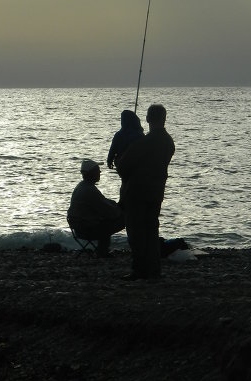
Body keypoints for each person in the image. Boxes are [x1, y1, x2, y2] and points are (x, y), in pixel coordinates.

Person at [116, 104, 175, 280]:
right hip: (156, 192)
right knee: (151, 231)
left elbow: (123, 166)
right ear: (164, 118)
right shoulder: (168, 142)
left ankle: (140, 270)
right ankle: (154, 270)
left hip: (136, 193)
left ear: (148, 119)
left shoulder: (144, 142)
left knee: (136, 233)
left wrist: (120, 155)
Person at [67, 159, 125, 257]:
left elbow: (103, 202)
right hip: (87, 229)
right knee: (124, 219)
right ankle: (102, 251)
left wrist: (115, 205)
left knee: (108, 219)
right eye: (97, 170)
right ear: (91, 173)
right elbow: (108, 211)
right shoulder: (90, 190)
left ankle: (102, 250)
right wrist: (121, 209)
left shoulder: (82, 186)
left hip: (79, 227)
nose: (100, 172)